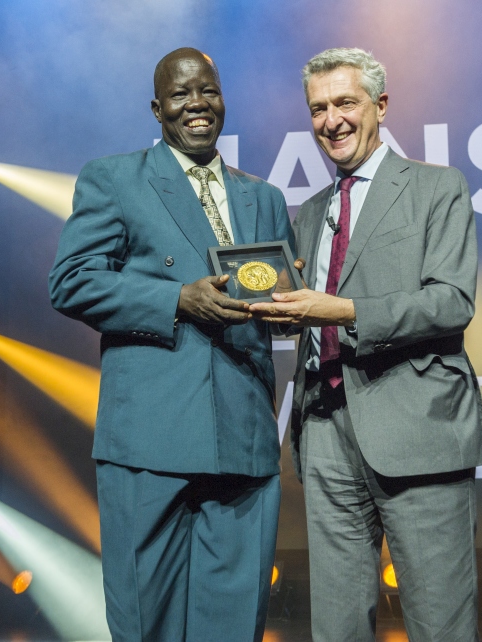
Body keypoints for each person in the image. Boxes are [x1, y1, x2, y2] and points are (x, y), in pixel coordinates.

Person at [48, 47, 293, 642]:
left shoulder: (262, 197)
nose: (197, 105)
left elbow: (278, 309)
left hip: (243, 436)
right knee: (145, 623)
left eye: (207, 91)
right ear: (157, 109)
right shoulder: (114, 178)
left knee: (234, 626)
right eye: (181, 95)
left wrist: (290, 304)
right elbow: (71, 281)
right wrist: (176, 300)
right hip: (149, 438)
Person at [251, 47, 482, 641]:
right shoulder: (309, 211)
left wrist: (346, 311)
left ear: (380, 106)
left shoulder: (438, 187)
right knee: (335, 627)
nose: (329, 120)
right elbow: (311, 310)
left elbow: (451, 302)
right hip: (326, 429)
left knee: (440, 622)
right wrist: (287, 319)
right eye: (317, 109)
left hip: (418, 429)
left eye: (344, 103)